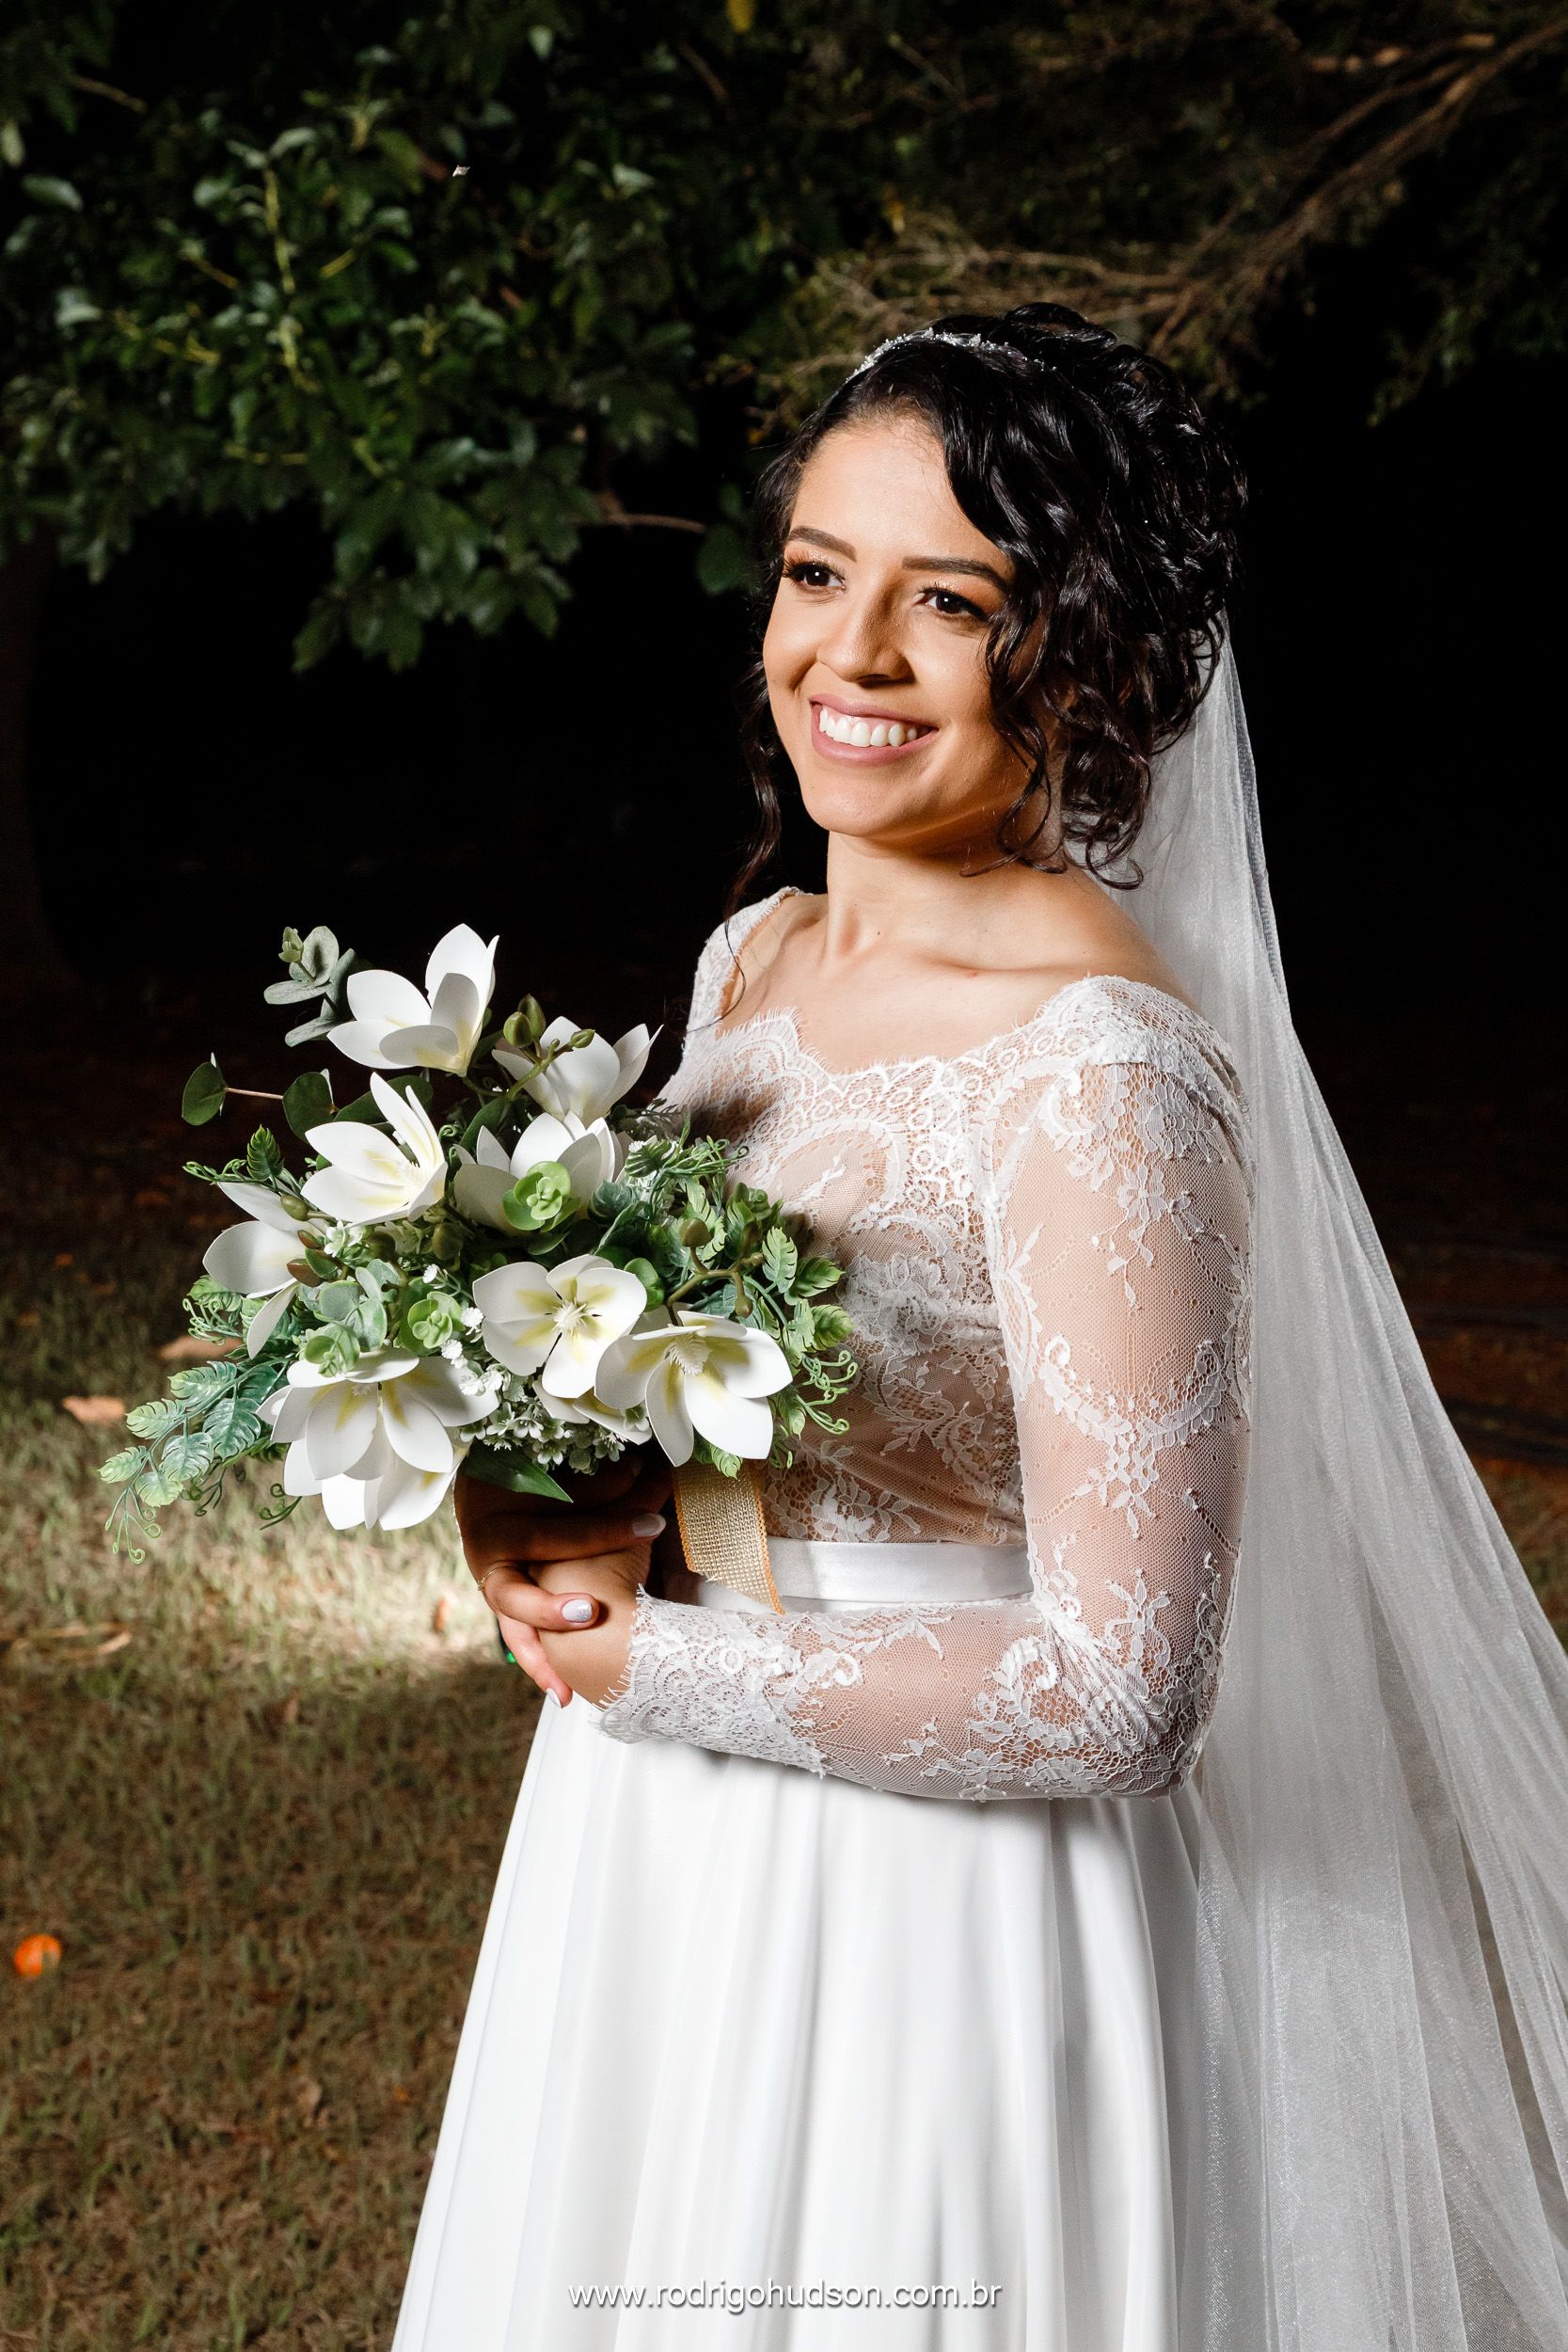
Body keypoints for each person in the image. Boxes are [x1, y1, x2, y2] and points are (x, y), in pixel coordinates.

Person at [392, 308, 1568, 2350]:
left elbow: (1125, 1687)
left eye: (951, 601)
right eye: (818, 572)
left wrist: (661, 1665)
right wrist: (546, 1487)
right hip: (656, 1861)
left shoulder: (1096, 1066)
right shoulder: (754, 953)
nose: (850, 657)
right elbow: (734, 1391)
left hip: (940, 1922)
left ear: (1085, 654)